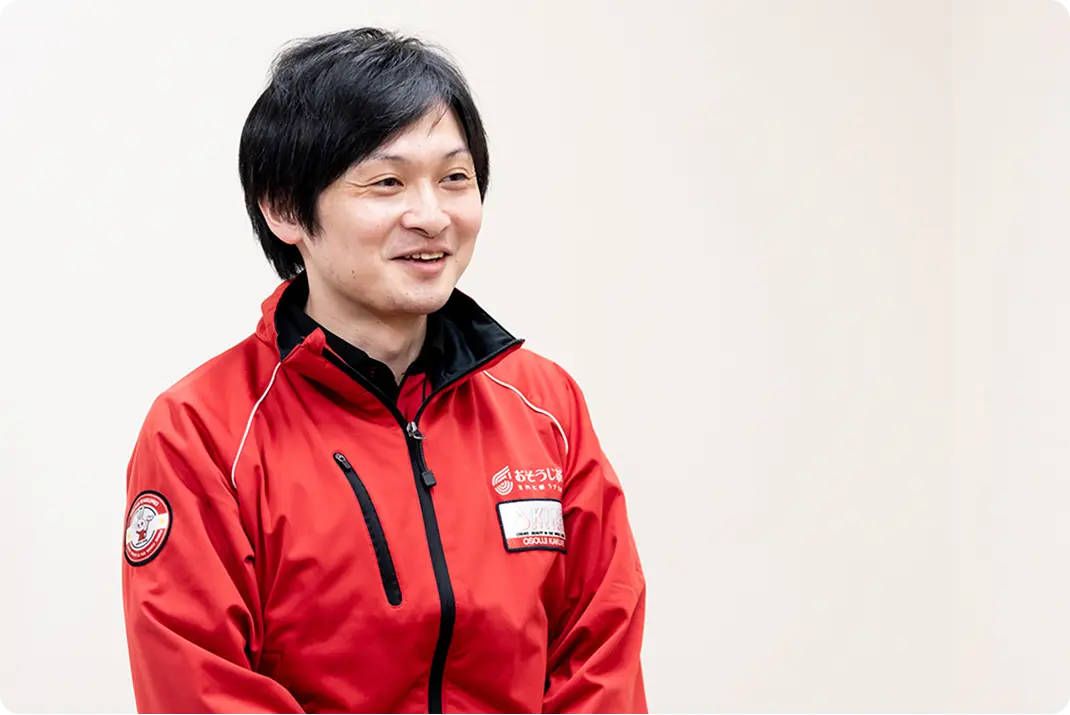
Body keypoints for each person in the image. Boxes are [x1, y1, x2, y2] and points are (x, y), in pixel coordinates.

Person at [121, 27, 646, 715]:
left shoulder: (546, 405)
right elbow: (202, 687)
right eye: (387, 182)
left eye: (454, 179)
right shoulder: (203, 432)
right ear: (284, 207)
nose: (431, 216)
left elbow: (600, 654)